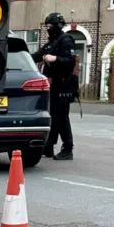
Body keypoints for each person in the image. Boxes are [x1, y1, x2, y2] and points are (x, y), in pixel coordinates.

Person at [31, 12, 78, 161]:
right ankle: (49, 146)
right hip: (53, 84)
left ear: (58, 26)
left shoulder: (66, 41)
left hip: (64, 84)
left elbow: (70, 62)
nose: (48, 29)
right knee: (53, 116)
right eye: (47, 26)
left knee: (62, 117)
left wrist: (55, 58)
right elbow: (37, 55)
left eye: (51, 26)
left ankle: (68, 148)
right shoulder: (52, 42)